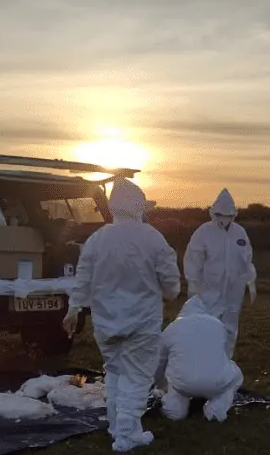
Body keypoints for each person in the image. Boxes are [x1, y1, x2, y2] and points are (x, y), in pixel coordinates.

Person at [62, 178, 181, 452]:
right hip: (142, 321)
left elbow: (83, 277)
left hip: (106, 323)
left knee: (115, 373)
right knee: (137, 377)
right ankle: (126, 436)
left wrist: (74, 308)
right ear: (139, 207)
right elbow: (172, 285)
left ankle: (119, 427)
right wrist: (168, 287)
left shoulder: (98, 239)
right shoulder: (152, 237)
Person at [184, 188, 257, 359]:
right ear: (214, 213)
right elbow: (193, 260)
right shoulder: (204, 232)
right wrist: (194, 287)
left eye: (228, 215)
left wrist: (250, 281)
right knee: (207, 326)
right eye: (221, 215)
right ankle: (205, 361)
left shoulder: (239, 232)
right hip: (208, 289)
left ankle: (224, 363)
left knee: (230, 328)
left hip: (233, 290)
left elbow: (247, 257)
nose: (225, 219)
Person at [154, 296, 243, 422]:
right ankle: (216, 410)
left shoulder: (172, 328)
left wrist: (158, 385)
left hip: (182, 383)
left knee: (175, 378)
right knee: (237, 376)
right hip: (215, 382)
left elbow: (160, 361)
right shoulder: (218, 325)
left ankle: (174, 410)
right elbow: (223, 354)